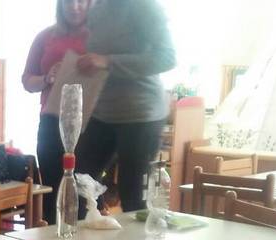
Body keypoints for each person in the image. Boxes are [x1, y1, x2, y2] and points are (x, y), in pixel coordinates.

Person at [75, 0, 176, 212]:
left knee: (133, 196)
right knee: (80, 184)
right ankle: (88, 232)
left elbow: (167, 57)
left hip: (141, 114)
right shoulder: (97, 9)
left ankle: (139, 234)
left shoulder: (146, 6)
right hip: (101, 112)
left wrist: (108, 61)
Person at [22, 0, 91, 224]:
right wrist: (47, 78)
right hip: (51, 122)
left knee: (84, 192)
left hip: (88, 124)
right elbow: (27, 81)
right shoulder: (45, 37)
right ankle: (53, 238)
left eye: (81, 1)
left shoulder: (100, 38)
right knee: (53, 191)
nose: (75, 6)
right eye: (69, 1)